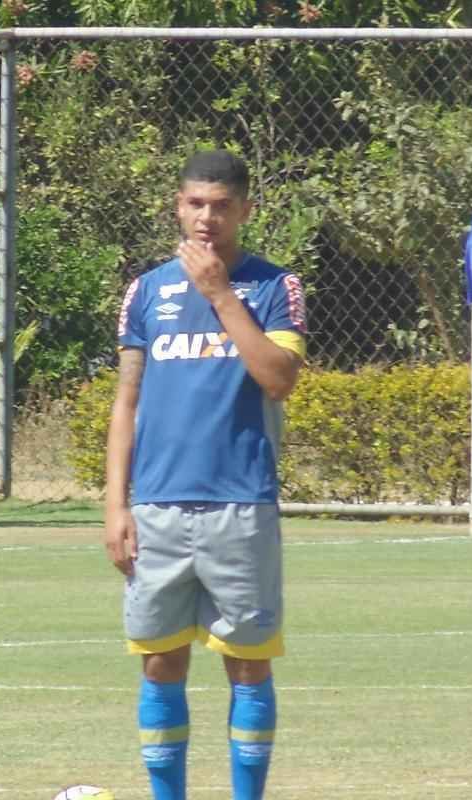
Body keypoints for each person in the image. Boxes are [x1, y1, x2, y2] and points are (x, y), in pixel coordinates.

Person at [103, 149, 307, 800]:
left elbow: (278, 379)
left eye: (221, 206)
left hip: (240, 505)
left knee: (248, 665)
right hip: (158, 506)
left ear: (245, 210)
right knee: (161, 660)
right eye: (195, 203)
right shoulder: (147, 290)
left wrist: (220, 293)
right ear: (177, 205)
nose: (206, 218)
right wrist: (115, 505)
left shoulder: (276, 287)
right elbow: (127, 401)